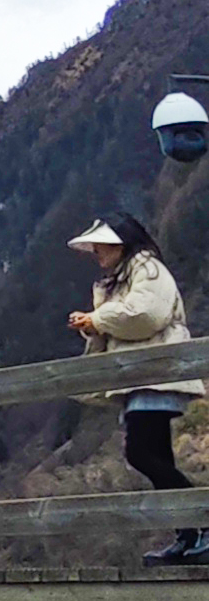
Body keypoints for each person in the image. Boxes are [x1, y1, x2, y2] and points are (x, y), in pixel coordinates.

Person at [67, 213, 206, 564]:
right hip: (142, 375)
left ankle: (200, 522)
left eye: (102, 245)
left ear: (121, 243)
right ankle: (188, 534)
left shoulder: (147, 269)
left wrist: (96, 319)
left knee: (140, 452)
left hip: (153, 371)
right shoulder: (121, 277)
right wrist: (94, 324)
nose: (96, 251)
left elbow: (145, 315)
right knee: (157, 455)